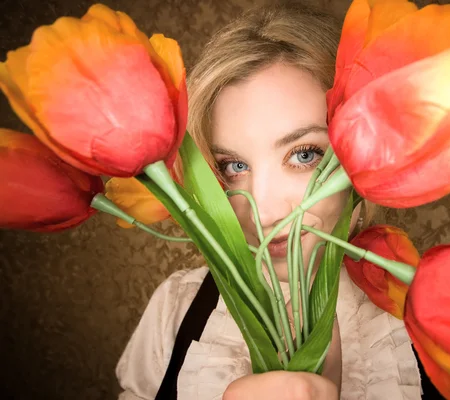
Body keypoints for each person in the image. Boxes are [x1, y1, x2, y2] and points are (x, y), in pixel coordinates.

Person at [116, 3, 425, 399]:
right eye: (233, 165)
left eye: (304, 154)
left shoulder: (428, 319)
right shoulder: (176, 309)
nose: (262, 212)